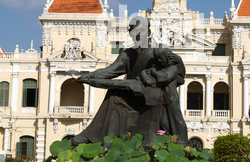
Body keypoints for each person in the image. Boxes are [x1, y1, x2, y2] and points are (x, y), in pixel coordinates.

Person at [71, 17, 188, 148]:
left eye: (141, 31)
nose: (138, 34)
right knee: (114, 95)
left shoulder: (157, 53)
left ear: (148, 33)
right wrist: (89, 76)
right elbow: (109, 71)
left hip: (153, 97)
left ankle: (93, 136)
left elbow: (177, 69)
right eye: (134, 31)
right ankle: (104, 140)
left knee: (118, 91)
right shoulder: (127, 55)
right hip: (134, 94)